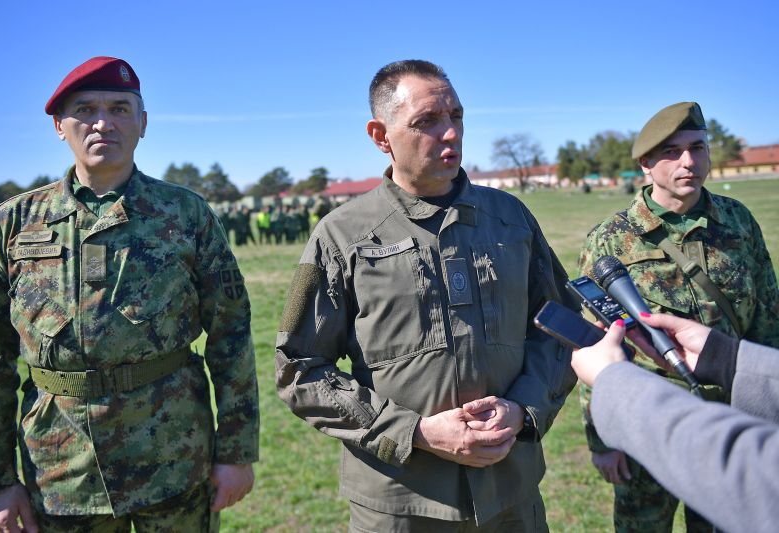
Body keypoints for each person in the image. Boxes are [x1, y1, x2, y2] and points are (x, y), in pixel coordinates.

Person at [275, 59, 576, 531]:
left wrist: (523, 408)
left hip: (511, 497)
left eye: (455, 116)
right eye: (427, 121)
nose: (450, 133)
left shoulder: (511, 219)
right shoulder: (342, 236)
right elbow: (299, 368)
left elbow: (561, 326)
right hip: (401, 504)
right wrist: (415, 433)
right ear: (381, 135)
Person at [0, 56, 259, 532]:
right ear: (58, 126)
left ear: (143, 123)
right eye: (85, 109)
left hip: (174, 455)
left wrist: (235, 451)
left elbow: (232, 334)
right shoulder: (13, 223)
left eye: (120, 108)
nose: (103, 122)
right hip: (60, 470)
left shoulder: (186, 214)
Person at [577, 101, 779, 532]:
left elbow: (767, 317)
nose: (689, 161)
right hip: (649, 419)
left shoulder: (738, 222)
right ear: (646, 165)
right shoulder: (612, 238)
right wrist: (602, 440)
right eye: (671, 151)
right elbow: (596, 342)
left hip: (732, 414)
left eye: (698, 147)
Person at [571, 313, 779, 533]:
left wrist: (616, 383)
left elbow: (745, 471)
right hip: (647, 446)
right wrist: (724, 359)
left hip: (676, 425)